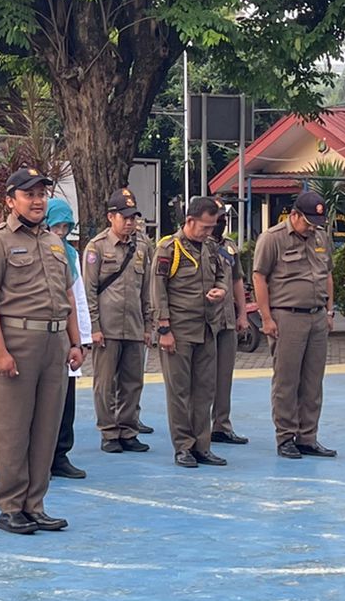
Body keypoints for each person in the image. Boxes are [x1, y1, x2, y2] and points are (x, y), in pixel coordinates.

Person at [0, 168, 83, 535]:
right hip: (16, 344)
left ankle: (35, 504)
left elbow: (67, 295)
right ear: (11, 200)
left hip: (53, 345)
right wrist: (0, 351)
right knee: (11, 430)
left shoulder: (55, 243)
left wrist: (75, 341)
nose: (37, 201)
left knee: (45, 429)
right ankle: (10, 507)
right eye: (29, 195)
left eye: (42, 194)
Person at [252, 188, 336, 459]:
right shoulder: (272, 238)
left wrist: (329, 311)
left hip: (317, 317)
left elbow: (327, 274)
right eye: (309, 222)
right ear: (295, 215)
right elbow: (259, 277)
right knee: (287, 380)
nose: (313, 228)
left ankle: (308, 437)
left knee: (313, 381)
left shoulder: (321, 236)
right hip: (286, 316)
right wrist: (266, 318)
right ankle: (285, 436)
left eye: (317, 224)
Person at [153, 197, 233, 469]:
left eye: (212, 227)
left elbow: (224, 274)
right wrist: (164, 328)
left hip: (207, 329)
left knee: (204, 391)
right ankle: (183, 447)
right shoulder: (168, 248)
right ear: (189, 221)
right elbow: (158, 290)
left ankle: (202, 446)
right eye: (205, 226)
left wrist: (221, 290)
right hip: (179, 330)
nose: (209, 232)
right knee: (179, 392)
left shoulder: (211, 248)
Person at [84, 188, 153, 454]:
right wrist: (94, 327)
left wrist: (149, 325)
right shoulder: (97, 247)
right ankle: (109, 432)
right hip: (108, 328)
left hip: (134, 325)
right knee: (105, 383)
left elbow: (146, 288)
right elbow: (89, 290)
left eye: (133, 217)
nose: (129, 222)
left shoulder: (142, 246)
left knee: (132, 381)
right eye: (124, 217)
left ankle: (128, 429)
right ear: (111, 217)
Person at [42, 198, 90, 481]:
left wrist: (81, 339)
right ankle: (39, 459)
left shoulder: (70, 255)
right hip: (39, 335)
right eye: (56, 225)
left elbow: (78, 299)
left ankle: (60, 454)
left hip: (65, 335)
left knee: (66, 400)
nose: (60, 231)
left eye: (65, 226)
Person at [208, 206, 251, 445]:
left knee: (224, 375)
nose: (221, 222)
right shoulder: (191, 245)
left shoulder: (229, 247)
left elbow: (237, 281)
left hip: (226, 319)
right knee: (202, 377)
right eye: (217, 218)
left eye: (223, 218)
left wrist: (242, 314)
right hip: (203, 320)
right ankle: (197, 426)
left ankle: (221, 425)